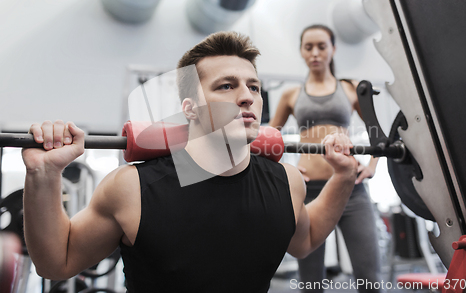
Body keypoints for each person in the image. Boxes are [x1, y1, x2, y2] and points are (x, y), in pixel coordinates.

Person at [21, 31, 358, 293]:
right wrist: (43, 174)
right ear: (189, 108)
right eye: (226, 86)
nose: (247, 96)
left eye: (253, 87)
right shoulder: (131, 189)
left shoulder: (287, 182)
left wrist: (342, 178)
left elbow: (306, 239)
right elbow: (58, 262)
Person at [269, 24, 383, 293]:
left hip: (351, 190)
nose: (315, 53)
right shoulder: (291, 94)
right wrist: (284, 169)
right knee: (310, 283)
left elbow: (377, 131)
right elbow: (269, 140)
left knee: (371, 279)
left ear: (333, 48)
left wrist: (373, 165)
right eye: (309, 47)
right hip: (308, 192)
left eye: (322, 46)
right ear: (301, 51)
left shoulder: (351, 88)